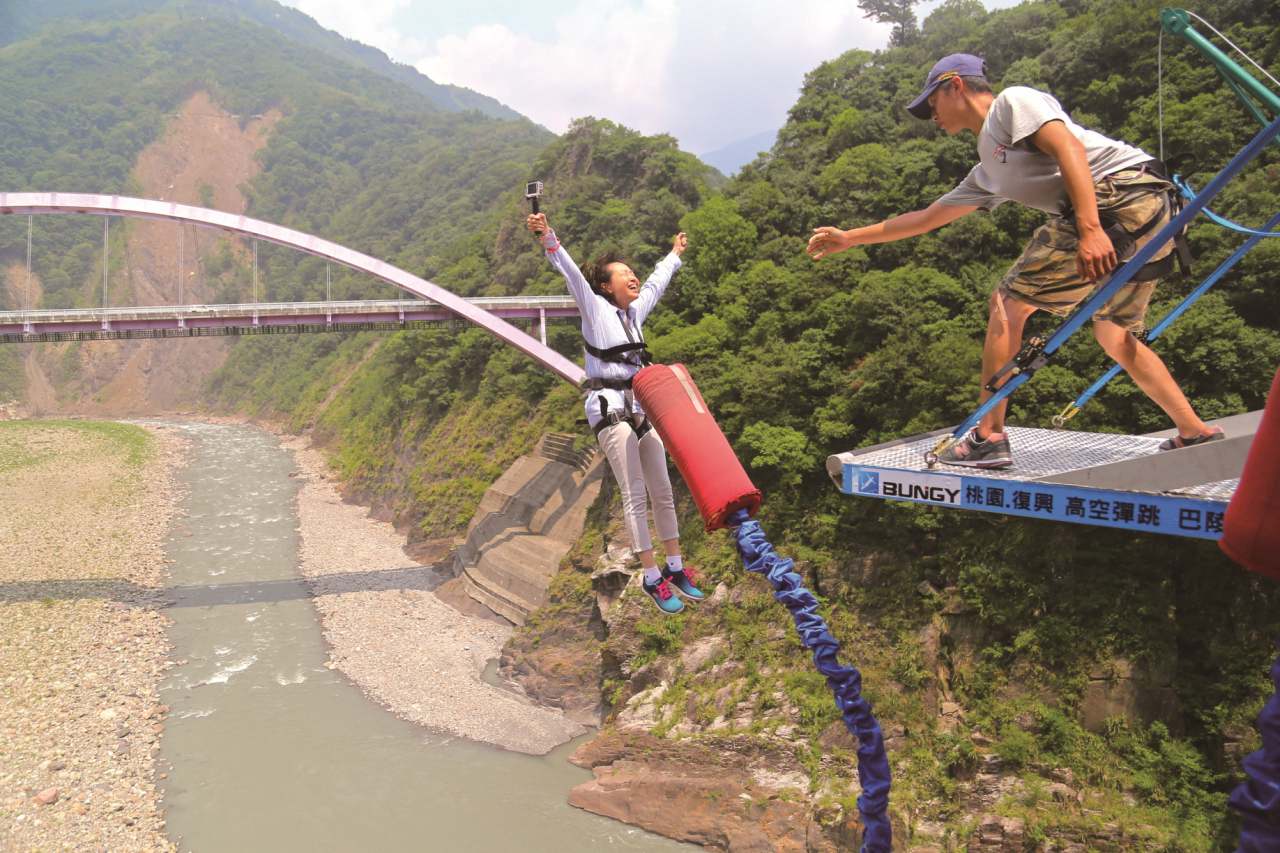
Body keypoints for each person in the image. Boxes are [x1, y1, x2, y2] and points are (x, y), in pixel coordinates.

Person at [807, 53, 1224, 469]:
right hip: (1147, 213)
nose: (930, 116)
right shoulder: (989, 169)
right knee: (1113, 335)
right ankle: (1194, 431)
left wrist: (1091, 228)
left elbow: (1069, 147)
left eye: (931, 102)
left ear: (955, 85)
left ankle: (988, 436)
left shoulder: (1012, 102)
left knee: (1008, 306)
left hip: (1117, 197)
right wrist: (850, 238)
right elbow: (929, 217)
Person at [525, 211, 702, 613]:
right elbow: (569, 270)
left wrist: (674, 254)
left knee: (663, 491)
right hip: (607, 406)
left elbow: (657, 283)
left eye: (632, 271)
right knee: (634, 492)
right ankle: (652, 577)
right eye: (624, 273)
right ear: (606, 286)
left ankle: (675, 568)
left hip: (640, 407)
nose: (633, 276)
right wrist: (547, 236)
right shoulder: (594, 308)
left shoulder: (634, 316)